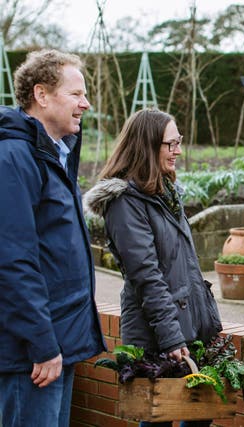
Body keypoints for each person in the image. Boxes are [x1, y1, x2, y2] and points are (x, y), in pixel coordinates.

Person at [83, 109, 223, 427]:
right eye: (171, 143)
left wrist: (207, 323)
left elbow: (183, 267)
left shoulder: (166, 194)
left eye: (179, 142)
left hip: (187, 326)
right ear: (148, 146)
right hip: (157, 334)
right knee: (159, 417)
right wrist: (173, 339)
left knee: (199, 414)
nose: (179, 150)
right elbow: (147, 277)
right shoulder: (125, 203)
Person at [0, 50, 106, 426]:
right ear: (41, 95)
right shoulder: (14, 158)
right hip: (32, 354)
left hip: (57, 347)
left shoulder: (55, 154)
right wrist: (43, 344)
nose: (86, 103)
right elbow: (13, 261)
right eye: (76, 94)